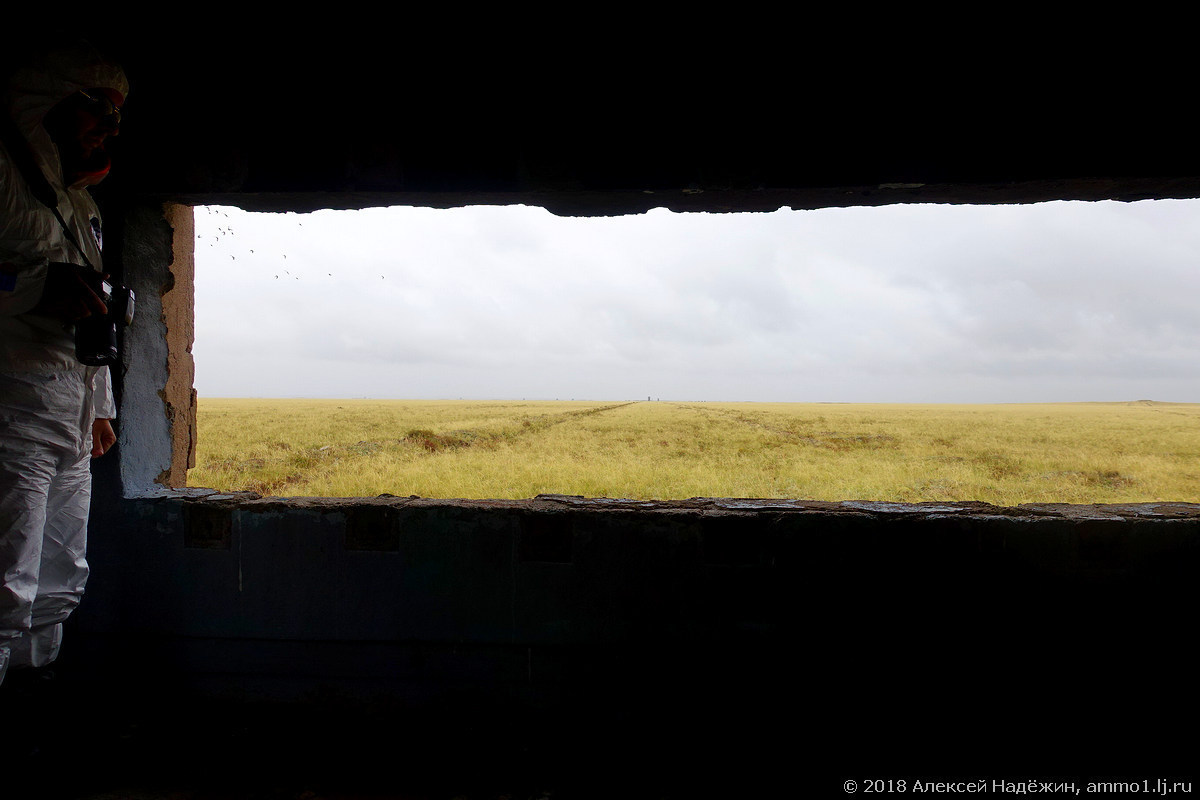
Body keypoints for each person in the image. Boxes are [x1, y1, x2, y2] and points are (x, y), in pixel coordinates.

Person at [0, 40, 128, 688]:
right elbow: (29, 285)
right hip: (13, 408)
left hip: (71, 414)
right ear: (47, 104)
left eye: (113, 120)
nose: (105, 130)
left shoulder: (84, 210)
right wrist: (26, 288)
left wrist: (100, 405)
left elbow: (90, 306)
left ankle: (31, 709)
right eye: (93, 111)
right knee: (5, 586)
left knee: (59, 580)